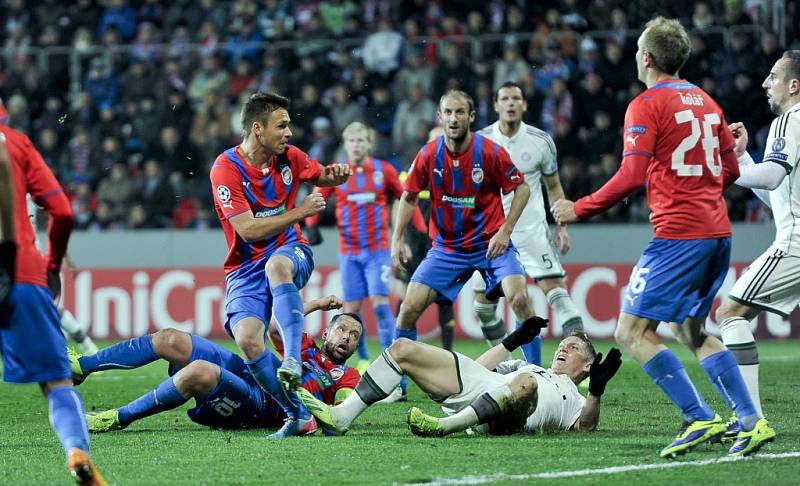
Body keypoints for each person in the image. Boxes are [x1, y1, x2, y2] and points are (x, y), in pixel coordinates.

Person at [551, 17, 774, 458]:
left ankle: (698, 416)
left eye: (637, 50)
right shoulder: (709, 103)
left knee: (630, 331)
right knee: (689, 327)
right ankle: (751, 421)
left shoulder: (646, 104)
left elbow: (631, 174)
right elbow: (730, 172)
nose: (636, 56)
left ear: (647, 57)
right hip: (718, 231)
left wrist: (580, 207)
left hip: (679, 236)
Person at [209, 92, 351, 436]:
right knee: (247, 340)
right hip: (244, 267)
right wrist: (301, 211)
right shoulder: (226, 169)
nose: (289, 133)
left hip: (291, 249)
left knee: (277, 266)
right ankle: (298, 415)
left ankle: (290, 357)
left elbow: (320, 175)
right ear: (258, 129)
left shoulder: (291, 157)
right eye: (282, 126)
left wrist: (336, 176)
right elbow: (247, 229)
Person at [391, 90, 547, 400]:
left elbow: (522, 189)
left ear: (471, 117)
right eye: (447, 112)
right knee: (408, 309)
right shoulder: (428, 154)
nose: (453, 118)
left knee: (520, 300)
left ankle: (540, 379)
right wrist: (396, 239)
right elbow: (408, 196)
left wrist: (506, 230)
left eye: (459, 112)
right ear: (440, 116)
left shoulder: (489, 152)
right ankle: (399, 386)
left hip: (491, 245)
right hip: (447, 248)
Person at [72, 296, 361, 436]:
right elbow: (274, 327)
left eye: (354, 336)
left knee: (199, 370)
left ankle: (117, 418)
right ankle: (82, 366)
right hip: (252, 371)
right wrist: (316, 304)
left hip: (263, 404)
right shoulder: (305, 346)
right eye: (341, 330)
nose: (346, 337)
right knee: (169, 339)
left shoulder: (348, 376)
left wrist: (305, 403)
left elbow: (338, 415)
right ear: (326, 333)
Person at [294, 320, 621, 436]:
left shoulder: (574, 397)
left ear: (588, 366)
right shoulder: (527, 366)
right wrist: (513, 341)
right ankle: (342, 416)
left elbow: (586, 427)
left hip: (516, 415)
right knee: (403, 348)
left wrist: (597, 391)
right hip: (488, 394)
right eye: (562, 343)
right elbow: (477, 370)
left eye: (573, 347)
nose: (563, 348)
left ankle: (446, 427)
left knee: (526, 386)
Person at [0, 125, 106, 483]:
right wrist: (52, 265)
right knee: (58, 384)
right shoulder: (16, 142)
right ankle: (76, 449)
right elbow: (62, 212)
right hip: (20, 272)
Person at [715, 50, 800, 442]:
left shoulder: (788, 121)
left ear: (794, 86)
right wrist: (744, 156)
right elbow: (777, 196)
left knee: (730, 312)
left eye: (773, 77)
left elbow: (768, 181)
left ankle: (750, 419)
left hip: (795, 243)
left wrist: (725, 168)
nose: (766, 83)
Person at [472, 81, 585, 365]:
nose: (510, 103)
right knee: (484, 306)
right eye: (505, 98)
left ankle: (582, 363)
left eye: (516, 98)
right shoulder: (480, 141)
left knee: (557, 292)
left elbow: (554, 186)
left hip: (532, 230)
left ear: (524, 105)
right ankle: (506, 364)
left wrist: (562, 224)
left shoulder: (541, 141)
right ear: (496, 105)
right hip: (489, 234)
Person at [304, 122, 426, 375]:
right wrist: (311, 224)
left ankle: (390, 364)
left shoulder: (384, 170)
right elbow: (318, 195)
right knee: (351, 310)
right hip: (349, 252)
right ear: (346, 144)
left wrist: (422, 231)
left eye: (361, 140)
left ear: (368, 144)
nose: (356, 145)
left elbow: (407, 198)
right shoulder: (337, 172)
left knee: (381, 303)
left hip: (377, 251)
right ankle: (361, 360)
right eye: (352, 141)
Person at [393, 125, 456, 356]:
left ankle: (448, 352)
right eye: (435, 139)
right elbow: (400, 204)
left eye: (444, 139)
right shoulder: (414, 168)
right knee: (406, 295)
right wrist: (402, 240)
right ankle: (399, 345)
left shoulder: (457, 171)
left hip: (441, 242)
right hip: (415, 242)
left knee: (445, 298)